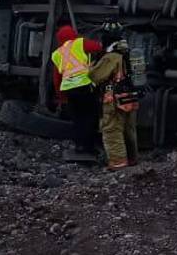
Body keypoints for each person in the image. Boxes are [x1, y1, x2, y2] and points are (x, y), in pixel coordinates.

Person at [88, 22, 139, 170]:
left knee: (111, 129)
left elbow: (95, 76)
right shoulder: (130, 53)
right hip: (130, 97)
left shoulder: (111, 57)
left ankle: (118, 162)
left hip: (114, 99)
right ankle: (132, 159)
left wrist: (93, 64)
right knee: (129, 129)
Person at [50, 25, 101, 162]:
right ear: (73, 35)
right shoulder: (80, 43)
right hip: (84, 86)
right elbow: (98, 47)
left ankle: (79, 146)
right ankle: (90, 147)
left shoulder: (57, 53)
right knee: (90, 116)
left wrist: (62, 98)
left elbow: (56, 79)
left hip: (69, 90)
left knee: (77, 119)